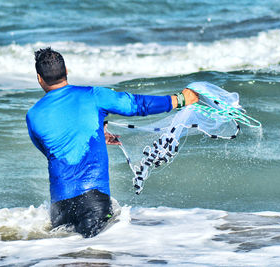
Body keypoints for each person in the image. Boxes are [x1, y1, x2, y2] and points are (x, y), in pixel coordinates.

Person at [26, 47, 198, 238]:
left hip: (60, 207)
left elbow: (51, 150)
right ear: (66, 71)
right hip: (93, 201)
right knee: (97, 256)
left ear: (39, 78)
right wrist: (180, 100)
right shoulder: (93, 95)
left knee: (67, 258)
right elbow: (136, 105)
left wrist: (94, 134)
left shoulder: (33, 115)